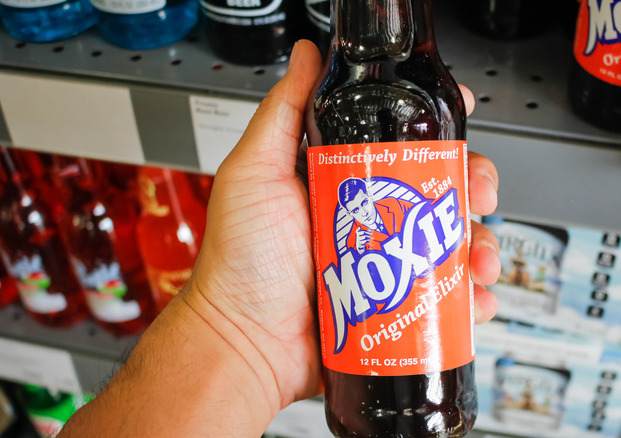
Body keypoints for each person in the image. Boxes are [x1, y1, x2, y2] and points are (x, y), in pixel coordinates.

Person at [58, 40, 500, 437]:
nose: (365, 212)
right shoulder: (346, 100)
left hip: (435, 377)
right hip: (351, 367)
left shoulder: (405, 131)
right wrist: (233, 327)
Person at [339, 177, 413, 254]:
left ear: (370, 195)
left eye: (365, 203)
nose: (364, 213)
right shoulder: (354, 242)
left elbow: (422, 212)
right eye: (356, 210)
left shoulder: (392, 204)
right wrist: (361, 250)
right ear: (349, 214)